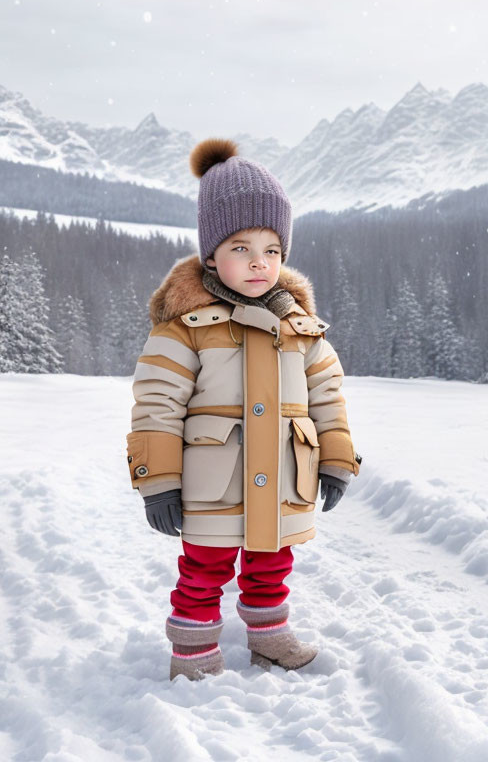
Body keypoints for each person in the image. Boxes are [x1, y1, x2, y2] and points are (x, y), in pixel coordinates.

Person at [125, 137, 362, 681]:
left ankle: (270, 636)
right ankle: (192, 651)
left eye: (272, 250)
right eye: (241, 249)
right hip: (214, 481)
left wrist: (335, 459)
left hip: (282, 479)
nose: (259, 263)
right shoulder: (184, 330)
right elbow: (156, 404)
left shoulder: (302, 331)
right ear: (211, 254)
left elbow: (328, 398)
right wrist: (157, 480)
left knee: (272, 564)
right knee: (202, 570)